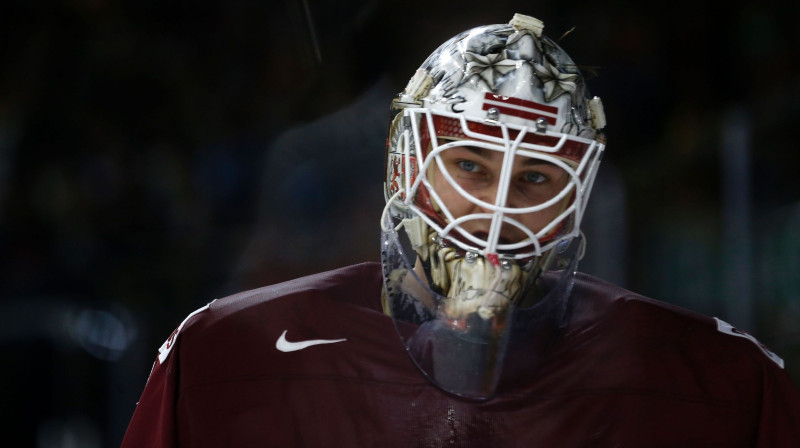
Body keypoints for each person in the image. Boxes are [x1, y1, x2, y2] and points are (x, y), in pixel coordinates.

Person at [120, 13, 800, 447]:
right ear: (405, 166)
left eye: (536, 177)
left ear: (577, 198)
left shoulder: (721, 383)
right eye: (470, 164)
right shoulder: (221, 357)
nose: (497, 210)